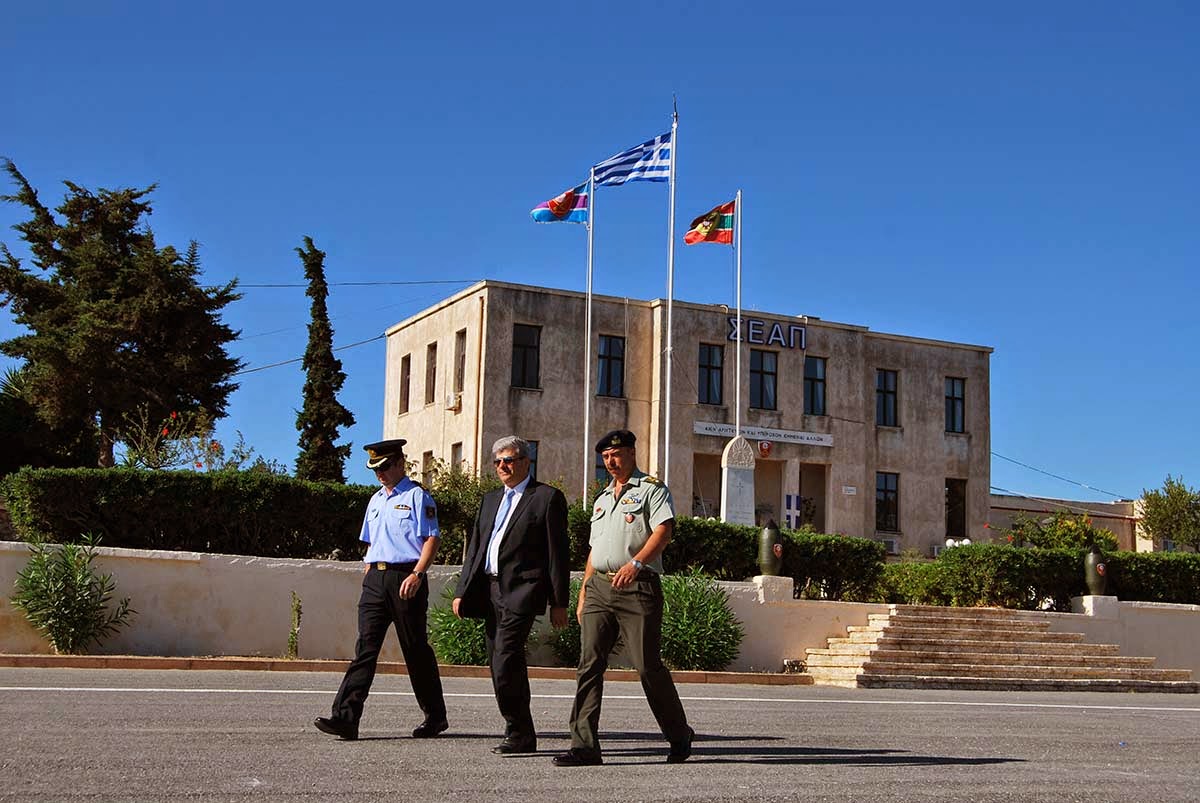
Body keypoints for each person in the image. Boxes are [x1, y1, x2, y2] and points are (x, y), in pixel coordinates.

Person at [552, 429, 694, 767]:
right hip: (600, 587)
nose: (610, 462)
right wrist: (585, 589)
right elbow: (594, 549)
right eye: (605, 458)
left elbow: (664, 530)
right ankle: (584, 745)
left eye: (615, 455)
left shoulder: (652, 490)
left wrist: (636, 562)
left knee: (647, 666)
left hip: (638, 586)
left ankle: (678, 734)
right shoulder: (602, 499)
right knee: (589, 664)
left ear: (631, 453)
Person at [314, 439, 448, 741]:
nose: (380, 473)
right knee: (365, 649)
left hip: (406, 578)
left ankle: (435, 716)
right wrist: (368, 570)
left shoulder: (417, 496)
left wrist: (417, 574)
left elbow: (431, 539)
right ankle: (345, 718)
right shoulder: (375, 500)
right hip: (376, 580)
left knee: (415, 650)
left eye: (385, 467)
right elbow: (372, 541)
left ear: (401, 463)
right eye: (375, 469)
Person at [454, 436, 570, 754]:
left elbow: (557, 554)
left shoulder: (546, 498)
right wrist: (461, 591)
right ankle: (520, 730)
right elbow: (476, 549)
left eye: (510, 460)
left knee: (505, 656)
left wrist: (559, 602)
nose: (504, 466)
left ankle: (518, 731)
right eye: (498, 462)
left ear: (526, 461)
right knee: (499, 661)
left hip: (524, 590)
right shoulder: (490, 500)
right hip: (490, 589)